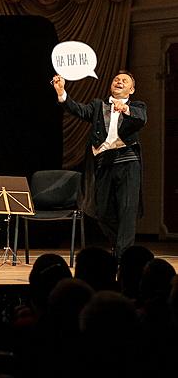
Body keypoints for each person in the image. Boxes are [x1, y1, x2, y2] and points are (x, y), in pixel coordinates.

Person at [52, 71, 147, 259]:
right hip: (104, 163)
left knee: (127, 211)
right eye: (116, 80)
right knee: (101, 212)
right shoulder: (98, 105)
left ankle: (121, 257)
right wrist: (62, 93)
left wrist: (125, 109)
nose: (119, 82)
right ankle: (120, 248)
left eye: (124, 81)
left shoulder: (137, 106)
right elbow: (78, 109)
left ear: (132, 89)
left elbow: (141, 118)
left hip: (127, 161)